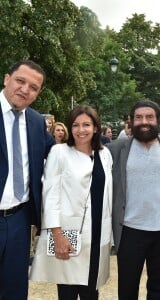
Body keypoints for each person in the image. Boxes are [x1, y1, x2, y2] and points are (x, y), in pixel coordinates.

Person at [30, 105, 113, 299]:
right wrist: (56, 234)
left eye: (86, 124)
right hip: (68, 234)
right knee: (67, 291)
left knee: (91, 291)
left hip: (98, 234)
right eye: (75, 125)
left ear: (95, 127)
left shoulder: (104, 154)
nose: (81, 129)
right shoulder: (59, 152)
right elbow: (50, 195)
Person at [107, 99, 160, 300]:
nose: (144, 121)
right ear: (131, 121)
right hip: (130, 230)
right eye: (138, 117)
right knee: (127, 287)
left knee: (159, 287)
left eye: (149, 117)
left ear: (159, 120)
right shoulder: (118, 147)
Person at [0, 60, 54, 300]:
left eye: (33, 87)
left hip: (20, 221)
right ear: (6, 79)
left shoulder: (35, 122)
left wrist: (92, 146)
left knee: (14, 289)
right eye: (20, 81)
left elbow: (57, 153)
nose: (25, 89)